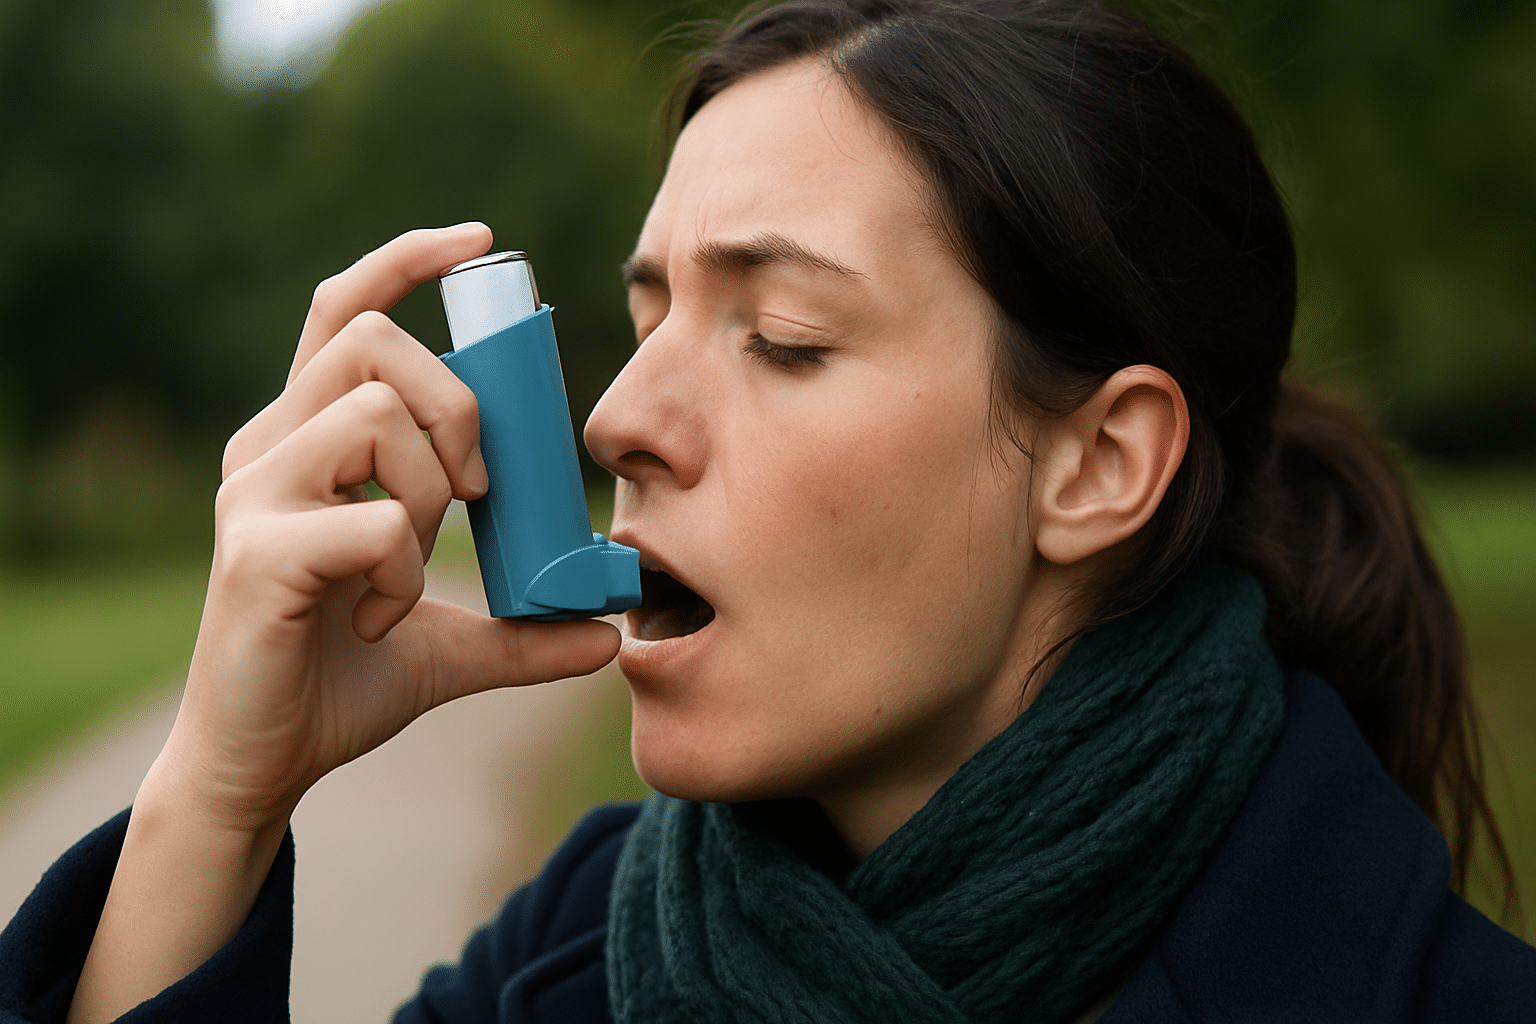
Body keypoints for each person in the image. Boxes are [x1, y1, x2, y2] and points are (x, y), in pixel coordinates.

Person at [3, 0, 1534, 1021]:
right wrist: (220, 790)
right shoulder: (585, 951)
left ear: (1099, 463)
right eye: (650, 314)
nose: (616, 419)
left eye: (783, 338)